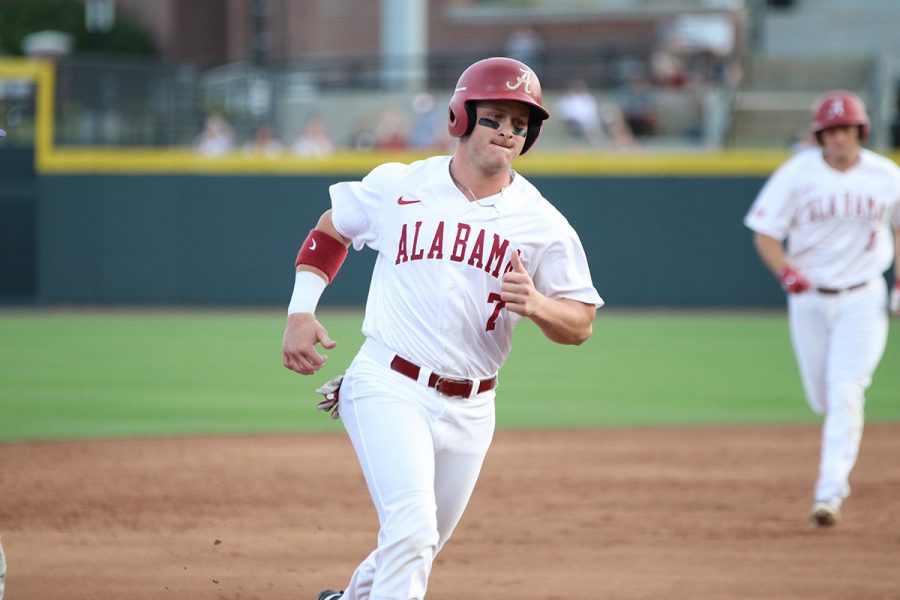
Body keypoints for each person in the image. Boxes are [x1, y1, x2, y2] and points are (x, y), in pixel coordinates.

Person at [281, 57, 603, 599]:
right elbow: (330, 231)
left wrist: (540, 306)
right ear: (461, 116)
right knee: (412, 529)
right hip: (389, 382)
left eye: (520, 124)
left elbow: (581, 323)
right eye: (495, 117)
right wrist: (300, 311)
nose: (507, 132)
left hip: (474, 407)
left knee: (413, 544)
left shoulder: (543, 222)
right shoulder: (402, 185)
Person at [744, 90, 900, 528]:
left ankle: (829, 492)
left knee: (846, 390)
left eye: (846, 128)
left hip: (864, 296)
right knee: (823, 396)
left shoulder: (886, 175)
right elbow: (765, 232)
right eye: (830, 130)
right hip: (810, 298)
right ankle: (831, 477)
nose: (839, 137)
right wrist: (785, 272)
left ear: (861, 131)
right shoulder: (797, 173)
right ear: (819, 134)